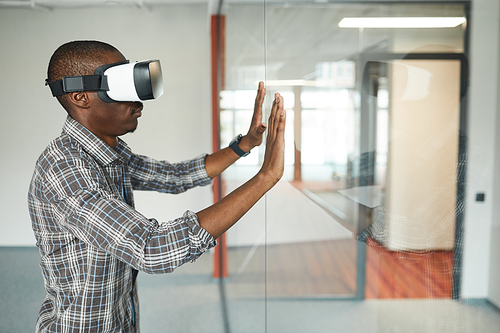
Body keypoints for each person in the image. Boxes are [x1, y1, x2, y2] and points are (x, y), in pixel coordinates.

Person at [28, 40, 286, 333]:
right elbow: (151, 248)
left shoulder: (108, 152)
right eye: (120, 87)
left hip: (120, 320)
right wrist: (265, 177)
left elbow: (173, 176)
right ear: (80, 97)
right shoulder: (65, 171)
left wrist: (245, 144)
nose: (138, 103)